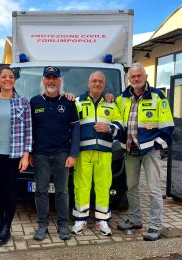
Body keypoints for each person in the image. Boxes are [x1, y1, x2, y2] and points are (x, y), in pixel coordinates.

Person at [115, 62, 174, 241]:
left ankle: (155, 226)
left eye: (139, 76)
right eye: (132, 77)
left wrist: (156, 146)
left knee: (153, 189)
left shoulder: (157, 96)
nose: (136, 79)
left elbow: (167, 125)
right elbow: (115, 119)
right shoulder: (122, 98)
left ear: (145, 77)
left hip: (149, 151)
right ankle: (135, 219)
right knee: (131, 187)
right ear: (129, 78)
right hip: (130, 150)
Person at [29, 66, 80, 241]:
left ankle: (63, 225)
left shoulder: (68, 102)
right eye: (48, 77)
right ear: (43, 80)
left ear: (60, 81)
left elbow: (75, 129)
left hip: (62, 154)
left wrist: (73, 154)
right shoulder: (34, 102)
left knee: (62, 192)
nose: (51, 81)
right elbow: (29, 130)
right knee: (41, 191)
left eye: (54, 78)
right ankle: (42, 225)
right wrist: (29, 153)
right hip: (40, 154)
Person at [0, 66, 32, 246]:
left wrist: (26, 154)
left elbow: (29, 130)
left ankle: (7, 227)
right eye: (3, 76)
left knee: (10, 190)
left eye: (10, 77)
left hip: (13, 154)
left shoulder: (23, 102)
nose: (7, 79)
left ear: (14, 80)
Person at [71, 71, 123, 236]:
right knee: (81, 187)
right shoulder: (77, 102)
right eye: (94, 81)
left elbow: (121, 128)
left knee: (103, 187)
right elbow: (69, 126)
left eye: (100, 81)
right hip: (83, 153)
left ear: (104, 85)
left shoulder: (111, 104)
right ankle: (80, 220)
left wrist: (109, 128)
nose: (97, 84)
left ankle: (102, 221)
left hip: (104, 153)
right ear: (88, 83)